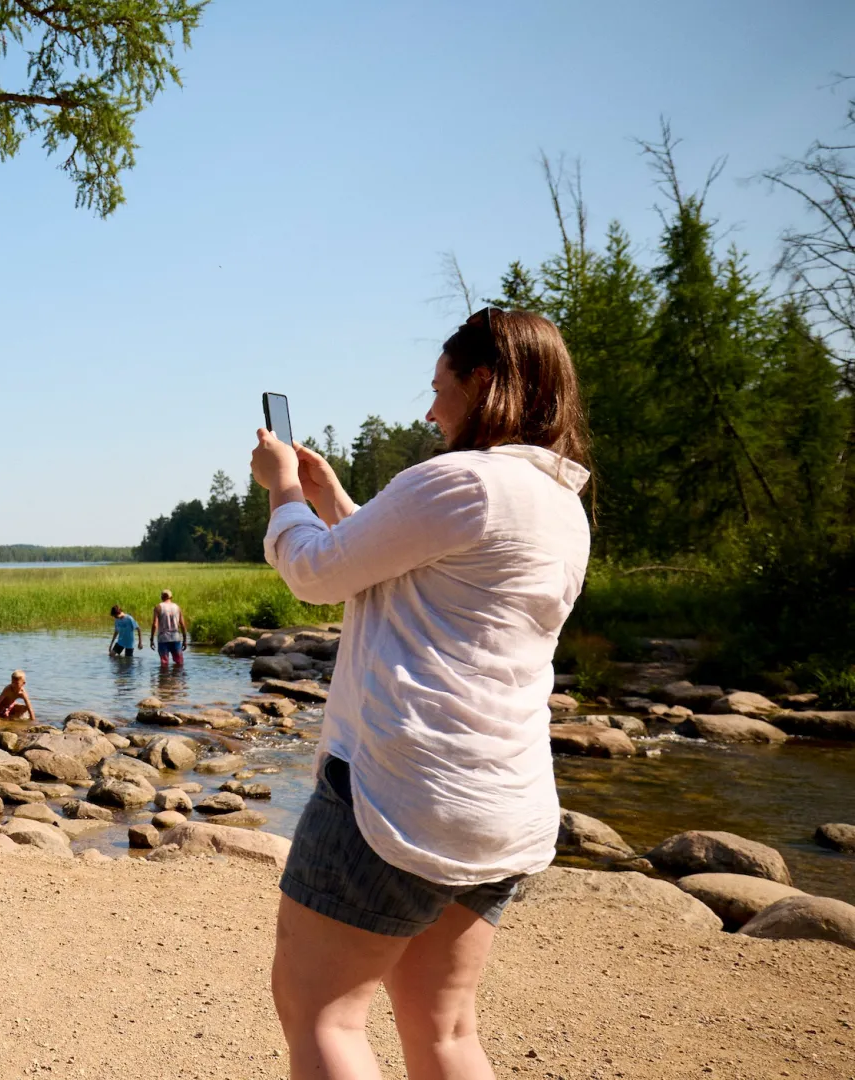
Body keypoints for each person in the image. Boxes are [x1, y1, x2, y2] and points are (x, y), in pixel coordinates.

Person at [251, 307, 591, 1080]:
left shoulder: (460, 480)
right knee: (443, 1029)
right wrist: (332, 499)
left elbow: (315, 573)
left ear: (485, 383)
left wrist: (283, 490)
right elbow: (403, 572)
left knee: (320, 1011)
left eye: (439, 390)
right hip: (503, 803)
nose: (431, 411)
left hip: (402, 794)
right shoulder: (560, 502)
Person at [151, 590, 188, 668]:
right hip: (175, 638)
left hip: (163, 638)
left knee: (164, 663)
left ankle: (164, 675)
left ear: (162, 597)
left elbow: (154, 625)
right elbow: (182, 624)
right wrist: (185, 640)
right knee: (179, 662)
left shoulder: (158, 607)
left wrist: (151, 639)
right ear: (171, 597)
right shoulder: (177, 607)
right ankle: (177, 675)